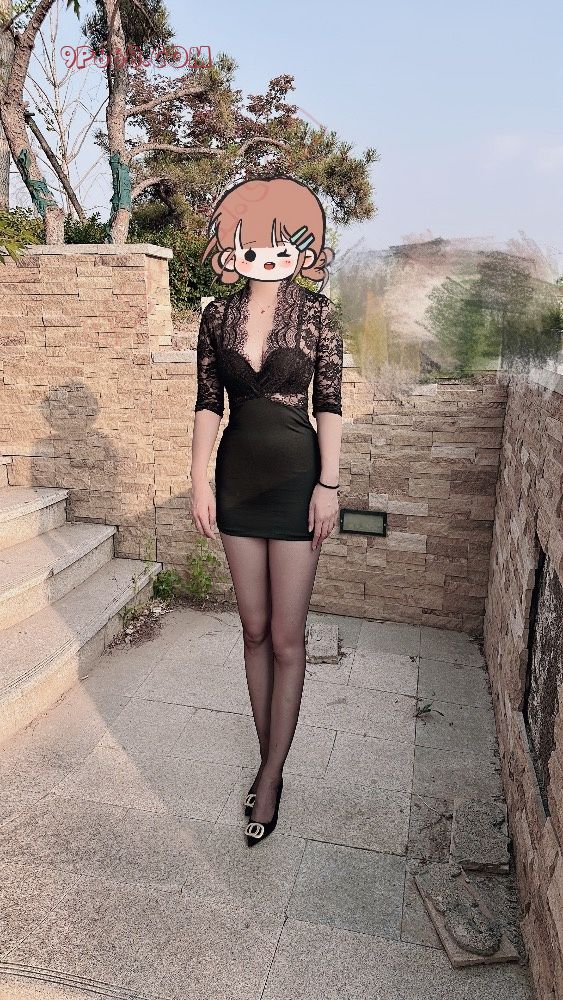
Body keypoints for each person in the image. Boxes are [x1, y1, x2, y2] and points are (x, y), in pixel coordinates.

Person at [190, 175, 343, 846]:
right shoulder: (215, 316)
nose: (268, 254)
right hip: (236, 481)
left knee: (286, 637)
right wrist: (198, 480)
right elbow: (207, 403)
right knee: (252, 631)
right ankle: (268, 757)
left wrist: (328, 485)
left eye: (283, 243)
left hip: (297, 481)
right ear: (233, 248)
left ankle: (271, 775)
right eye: (253, 243)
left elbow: (329, 403)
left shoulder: (318, 313)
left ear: (303, 249)